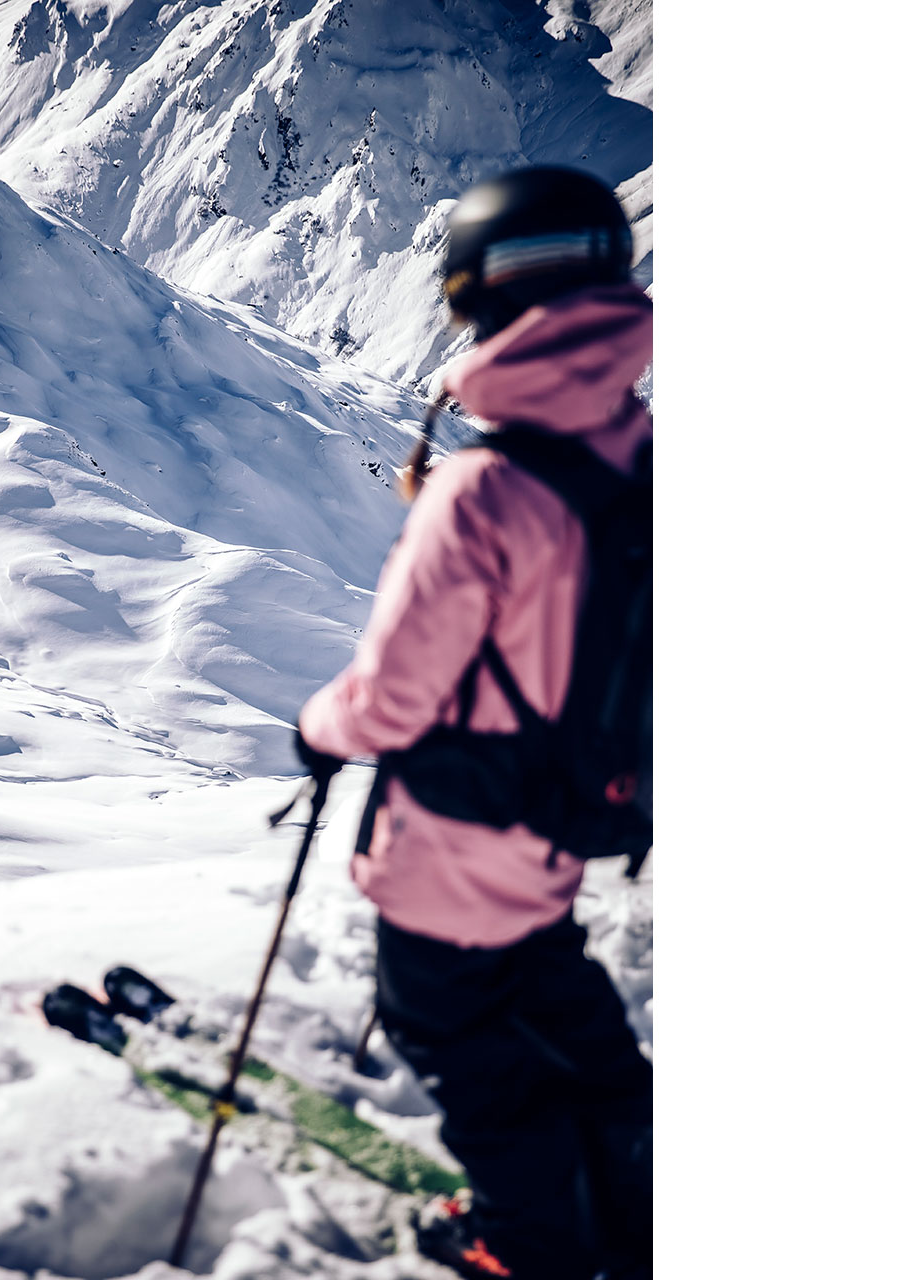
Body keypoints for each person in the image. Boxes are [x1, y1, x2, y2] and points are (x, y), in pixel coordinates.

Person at [294, 167, 654, 1280]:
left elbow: (391, 696)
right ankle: (643, 1207)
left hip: (457, 826)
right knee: (552, 998)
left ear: (477, 302)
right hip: (572, 813)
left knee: (459, 1038)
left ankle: (532, 1240)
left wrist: (319, 727)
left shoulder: (483, 490)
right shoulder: (640, 458)